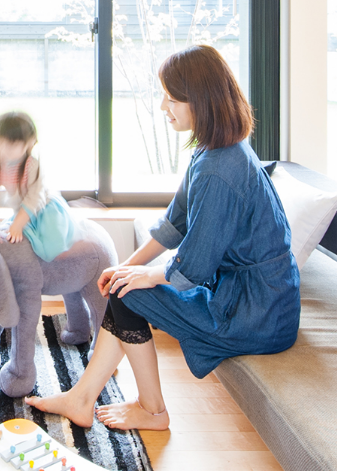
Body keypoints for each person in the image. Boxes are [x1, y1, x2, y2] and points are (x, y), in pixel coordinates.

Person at [26, 45, 301, 431]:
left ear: (201, 102)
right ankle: (82, 398)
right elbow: (174, 225)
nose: (163, 107)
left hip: (256, 312)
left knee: (128, 292)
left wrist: (144, 277)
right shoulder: (214, 152)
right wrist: (128, 266)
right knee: (124, 284)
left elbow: (197, 263)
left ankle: (151, 410)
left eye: (172, 98)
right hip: (252, 297)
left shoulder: (220, 169)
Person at [0, 111, 77, 261]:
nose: (6, 148)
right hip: (22, 210)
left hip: (44, 210)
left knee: (52, 249)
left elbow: (34, 199)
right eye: (3, 141)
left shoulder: (31, 165)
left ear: (29, 143)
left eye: (13, 144)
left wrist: (18, 224)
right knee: (5, 235)